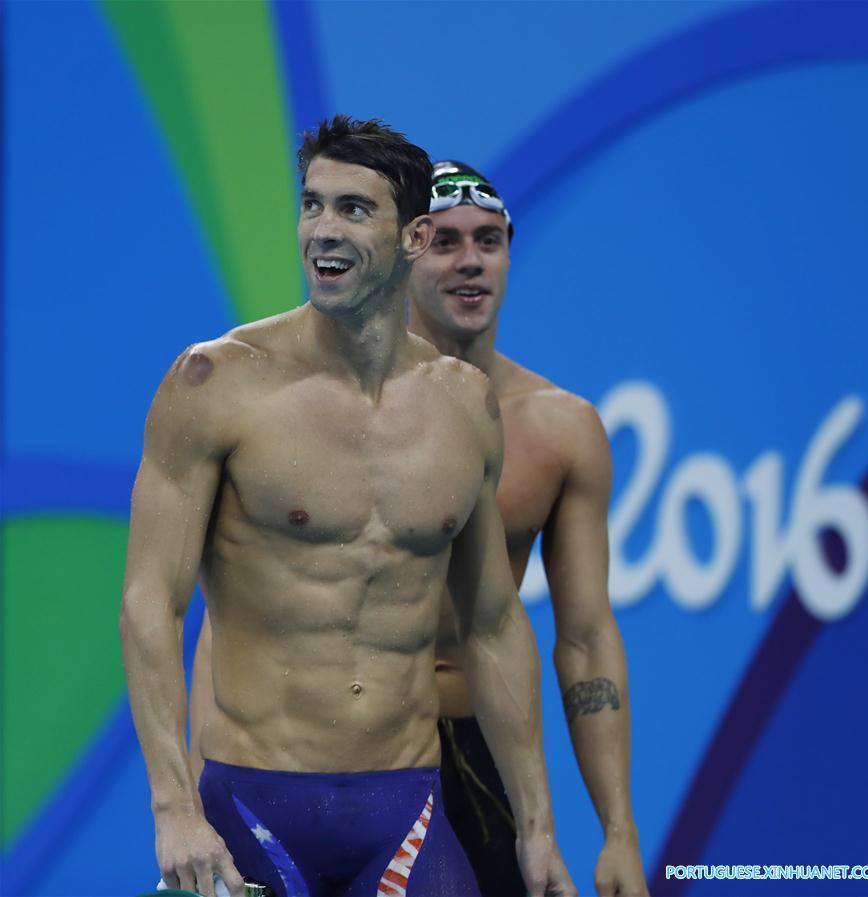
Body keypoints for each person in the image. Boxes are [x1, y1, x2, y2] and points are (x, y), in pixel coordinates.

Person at [120, 117, 574, 897]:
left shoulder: (464, 408)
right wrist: (173, 807)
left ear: (412, 236)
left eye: (353, 210)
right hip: (250, 803)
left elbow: (492, 622)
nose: (322, 232)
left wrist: (538, 832)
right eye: (312, 205)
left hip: (405, 807)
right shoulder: (215, 384)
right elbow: (148, 604)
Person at [408, 161, 649, 897]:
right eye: (444, 241)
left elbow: (583, 637)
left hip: (483, 752)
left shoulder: (560, 430)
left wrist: (617, 830)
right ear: (400, 253)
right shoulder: (336, 416)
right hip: (352, 746)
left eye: (488, 239)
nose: (470, 259)